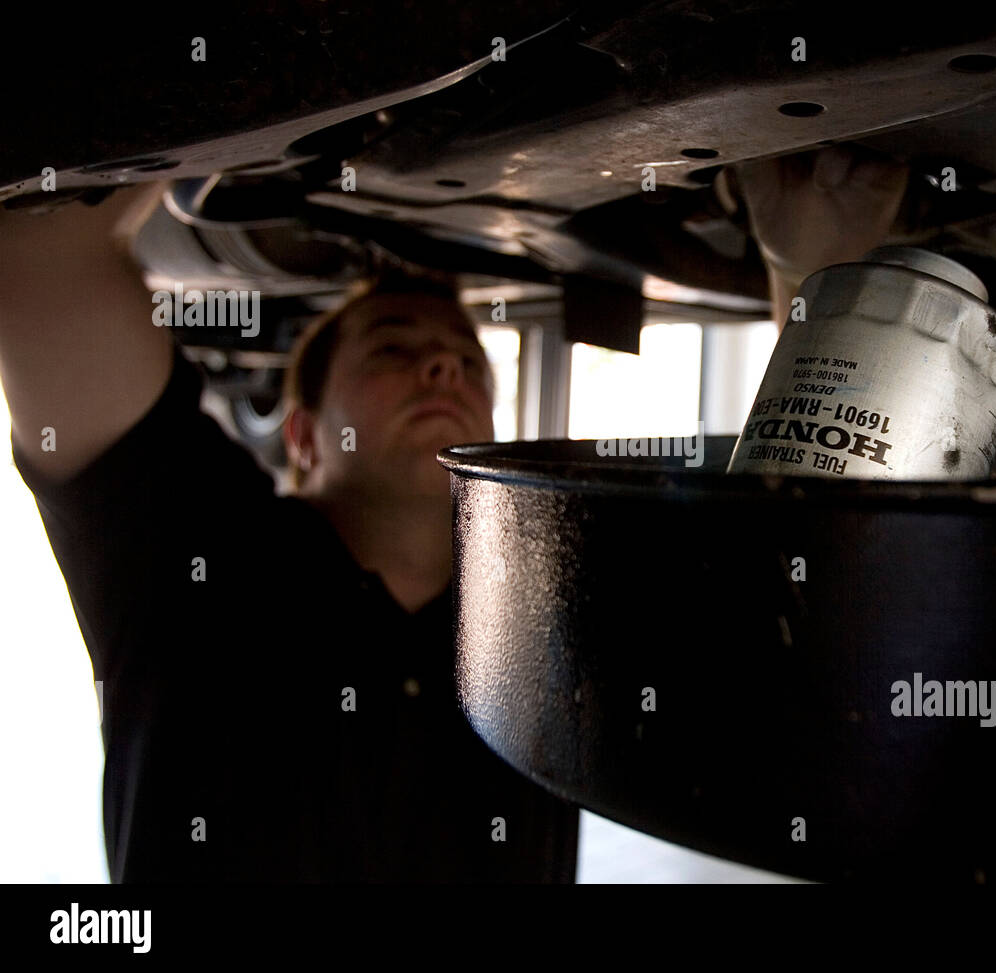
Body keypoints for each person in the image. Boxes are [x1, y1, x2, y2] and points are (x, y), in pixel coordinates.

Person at [0, 146, 905, 883]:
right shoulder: (200, 568)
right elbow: (42, 272)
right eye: (396, 348)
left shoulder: (549, 610)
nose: (445, 369)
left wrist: (804, 265)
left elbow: (783, 619)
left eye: (466, 358)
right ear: (306, 435)